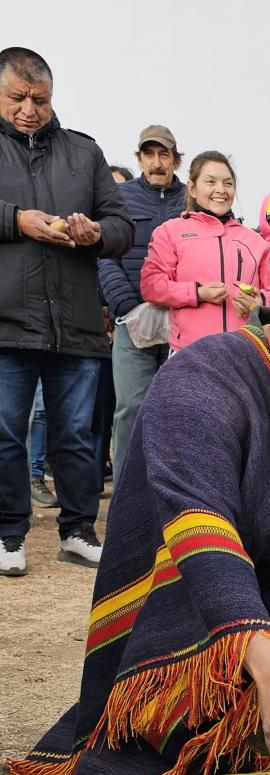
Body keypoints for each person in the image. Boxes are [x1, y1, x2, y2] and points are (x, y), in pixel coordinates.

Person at [9, 232, 270, 775]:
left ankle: (263, 714)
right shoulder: (198, 380)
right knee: (175, 723)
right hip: (189, 602)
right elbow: (200, 529)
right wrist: (267, 665)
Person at [0, 46, 133, 578]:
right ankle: (9, 534)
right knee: (5, 431)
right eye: (17, 98)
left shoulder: (84, 151)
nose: (29, 108)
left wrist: (96, 233)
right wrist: (16, 220)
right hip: (7, 319)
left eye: (40, 99)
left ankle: (78, 531)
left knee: (76, 433)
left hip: (75, 319)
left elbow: (121, 225)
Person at [98, 125, 186, 474]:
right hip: (133, 323)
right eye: (149, 154)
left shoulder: (190, 199)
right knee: (131, 408)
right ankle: (124, 500)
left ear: (176, 160)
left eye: (164, 154)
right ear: (140, 159)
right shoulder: (120, 198)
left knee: (178, 411)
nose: (157, 162)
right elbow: (105, 253)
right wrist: (124, 303)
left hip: (182, 321)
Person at [140, 150, 270, 352]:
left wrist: (260, 301)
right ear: (192, 188)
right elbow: (152, 286)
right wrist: (197, 292)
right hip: (189, 353)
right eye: (211, 182)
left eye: (228, 183)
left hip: (245, 354)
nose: (221, 190)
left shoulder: (255, 241)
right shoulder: (170, 232)